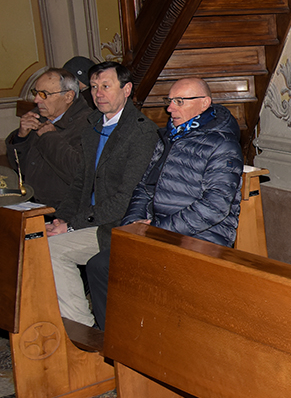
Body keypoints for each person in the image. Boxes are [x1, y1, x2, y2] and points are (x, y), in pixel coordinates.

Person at [83, 78, 243, 329]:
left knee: (147, 279)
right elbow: (143, 187)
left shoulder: (222, 144)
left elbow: (215, 207)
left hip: (202, 237)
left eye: (179, 102)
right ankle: (118, 338)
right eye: (169, 101)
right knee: (101, 266)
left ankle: (144, 339)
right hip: (158, 232)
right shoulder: (169, 136)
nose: (170, 108)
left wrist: (158, 229)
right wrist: (133, 224)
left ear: (204, 104)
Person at [45, 62, 160, 327]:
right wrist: (61, 219)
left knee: (50, 250)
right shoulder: (93, 126)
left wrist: (72, 225)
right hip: (92, 220)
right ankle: (63, 323)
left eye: (106, 86)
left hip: (116, 225)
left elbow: (125, 199)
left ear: (127, 89)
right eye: (95, 87)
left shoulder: (142, 132)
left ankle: (82, 330)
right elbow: (80, 184)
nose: (98, 94)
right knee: (38, 240)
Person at [5, 68, 92, 211]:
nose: (36, 100)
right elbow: (19, 169)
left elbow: (78, 174)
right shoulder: (37, 116)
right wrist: (21, 137)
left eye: (44, 94)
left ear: (68, 97)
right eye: (36, 93)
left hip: (63, 210)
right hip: (31, 202)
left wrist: (49, 137)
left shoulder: (88, 124)